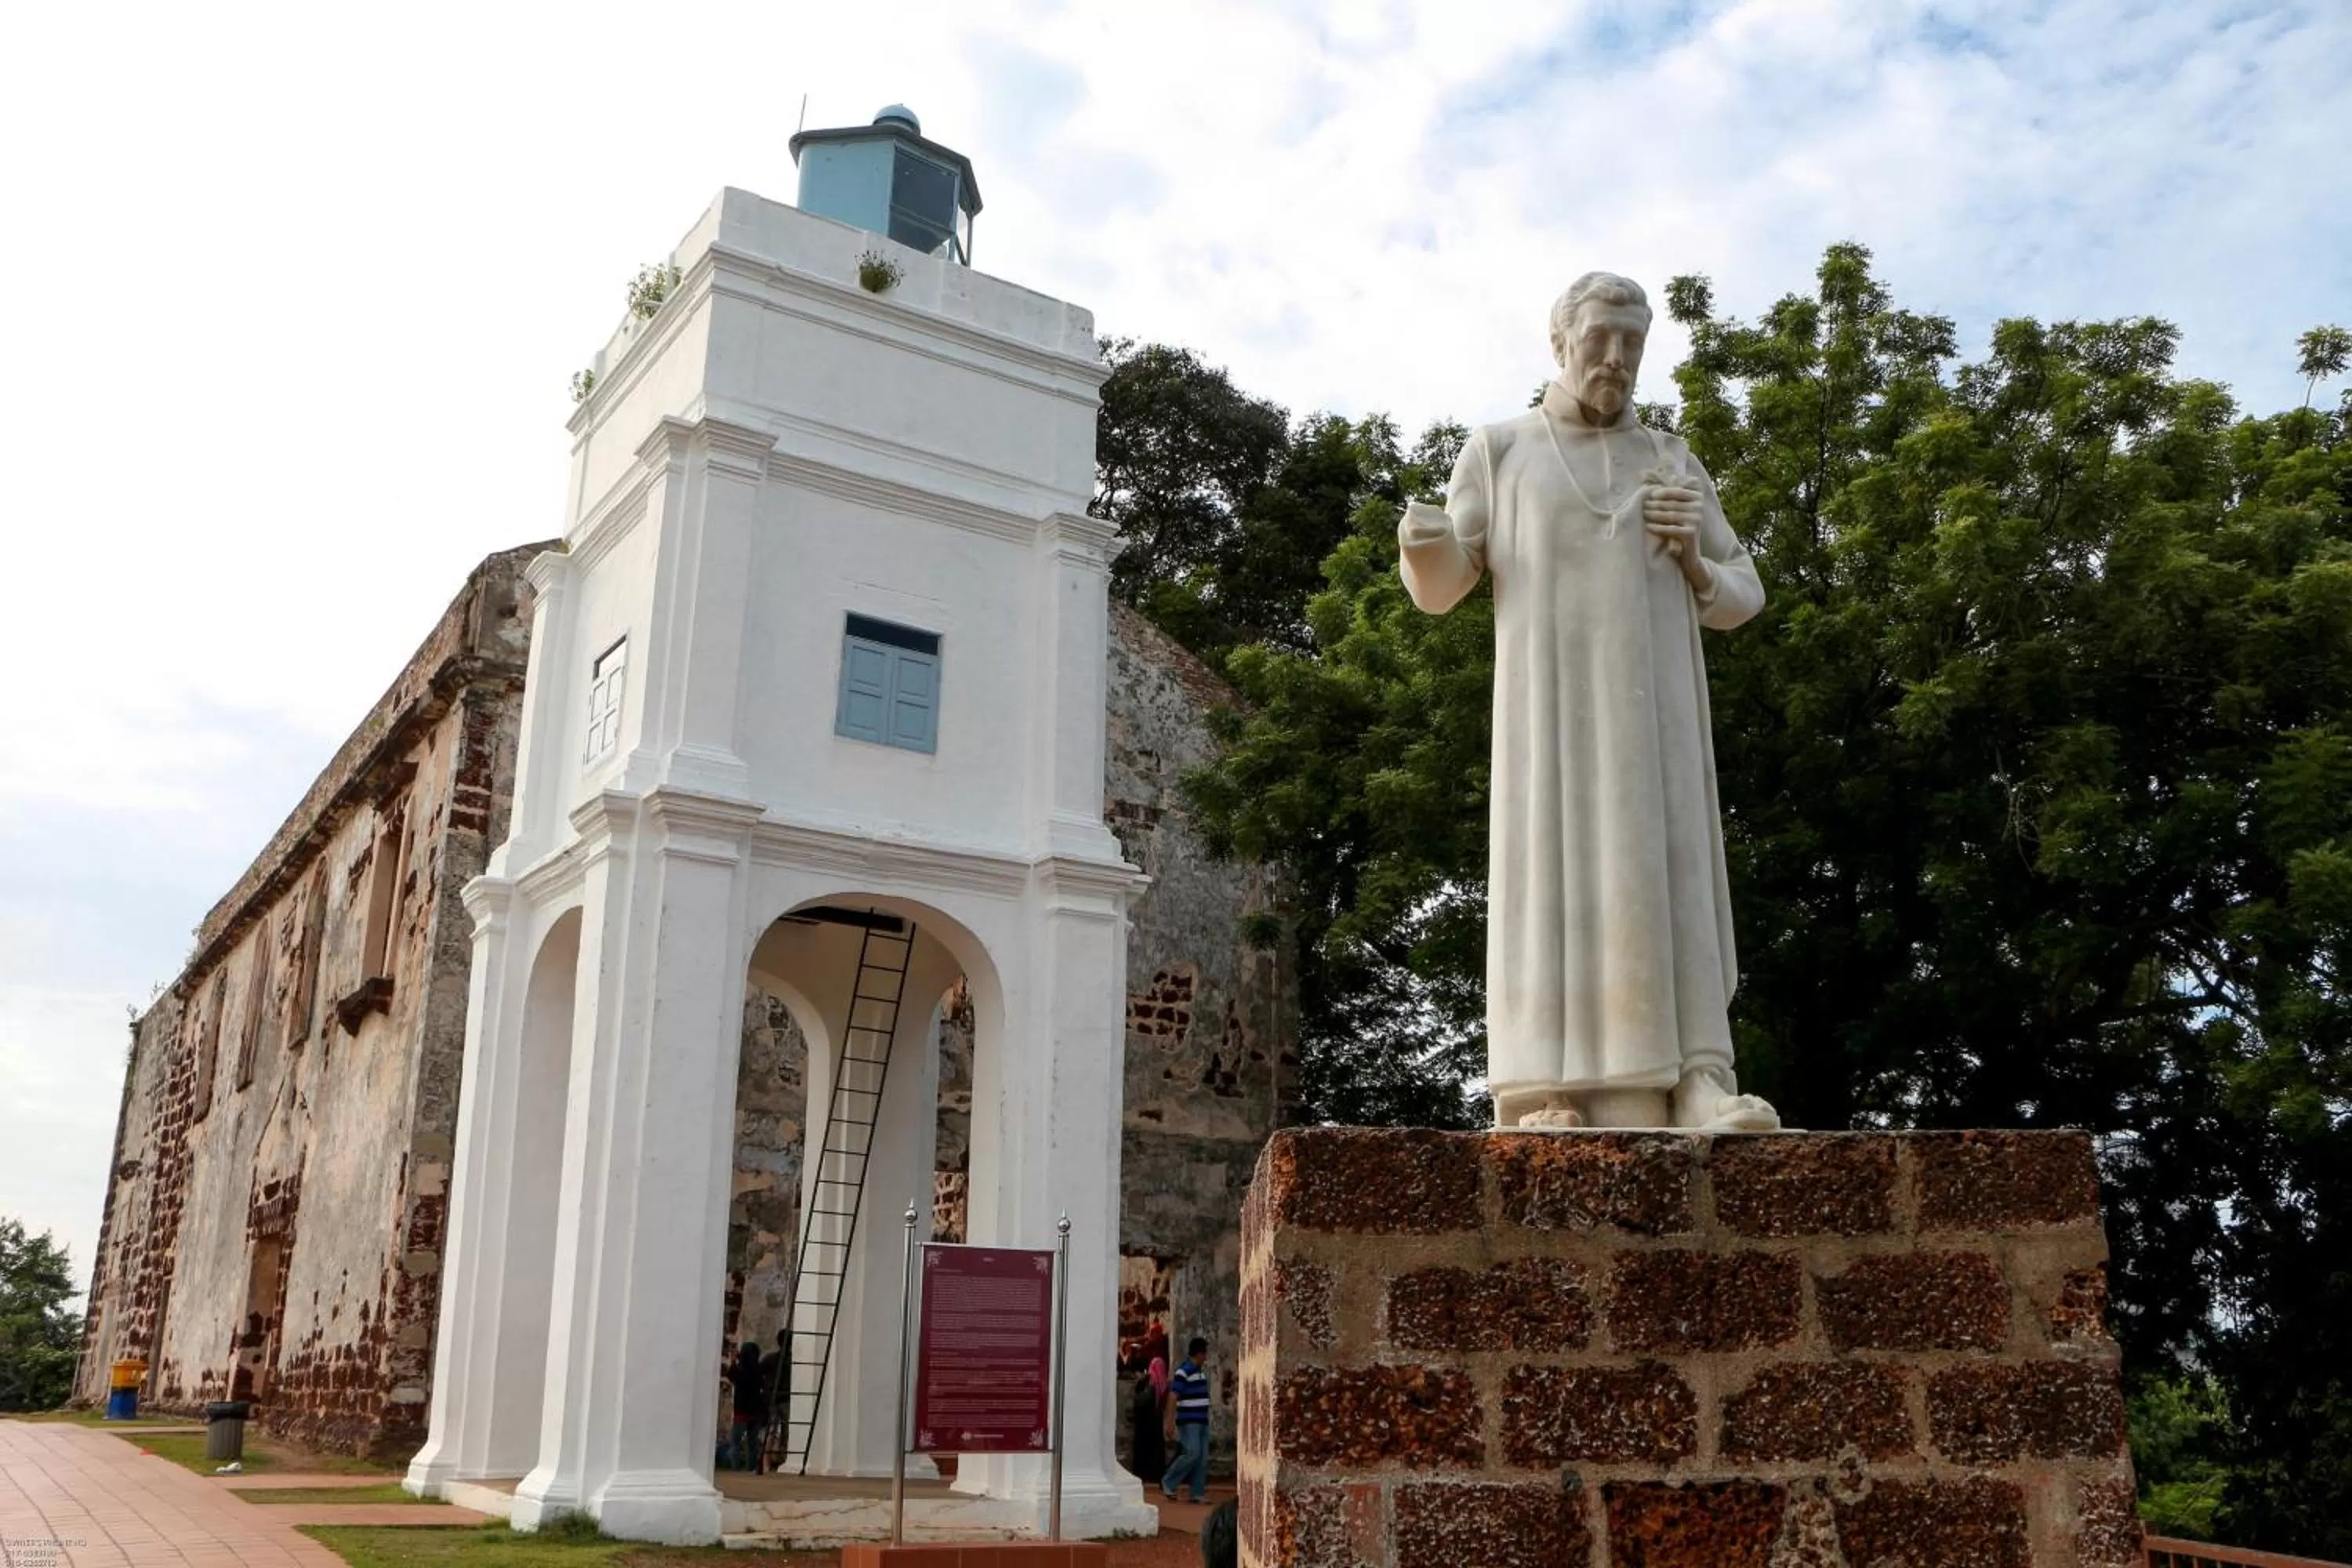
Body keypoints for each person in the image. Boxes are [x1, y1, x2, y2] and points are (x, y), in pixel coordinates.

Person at [1397, 270, 1779, 1132]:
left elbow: (1743, 591)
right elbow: (1445, 584)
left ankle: (1696, 1077)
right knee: (1550, 873)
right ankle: (1544, 1087)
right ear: (1562, 341)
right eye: (1601, 338)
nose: (1615, 357)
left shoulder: (1671, 458)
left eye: (1632, 342)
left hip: (1657, 711)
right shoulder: (1500, 451)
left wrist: (1694, 560)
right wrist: (1423, 544)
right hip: (1550, 718)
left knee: (1669, 869)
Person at [1160, 1337, 1211, 1504]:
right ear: (1199, 1354)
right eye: (1205, 1353)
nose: (1206, 1357)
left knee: (1201, 1457)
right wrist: (1170, 1421)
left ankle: (1197, 1493)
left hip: (1202, 1421)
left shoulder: (1200, 1372)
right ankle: (1168, 1482)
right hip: (1189, 1421)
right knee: (1192, 1453)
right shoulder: (1183, 1372)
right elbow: (1173, 1396)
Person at [728, 1339, 767, 1472]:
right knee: (752, 1442)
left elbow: (731, 1375)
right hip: (756, 1409)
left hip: (741, 1409)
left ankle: (735, 1467)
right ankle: (751, 1467)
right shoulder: (759, 1370)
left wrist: (734, 1360)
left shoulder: (740, 1369)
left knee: (736, 1441)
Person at [1130, 1355, 1168, 1482]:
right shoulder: (1163, 1385)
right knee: (1155, 1450)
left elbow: (1139, 1401)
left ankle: (1144, 1473)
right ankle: (1155, 1474)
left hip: (1144, 1423)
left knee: (1143, 1450)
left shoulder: (1147, 1382)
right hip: (1156, 1424)